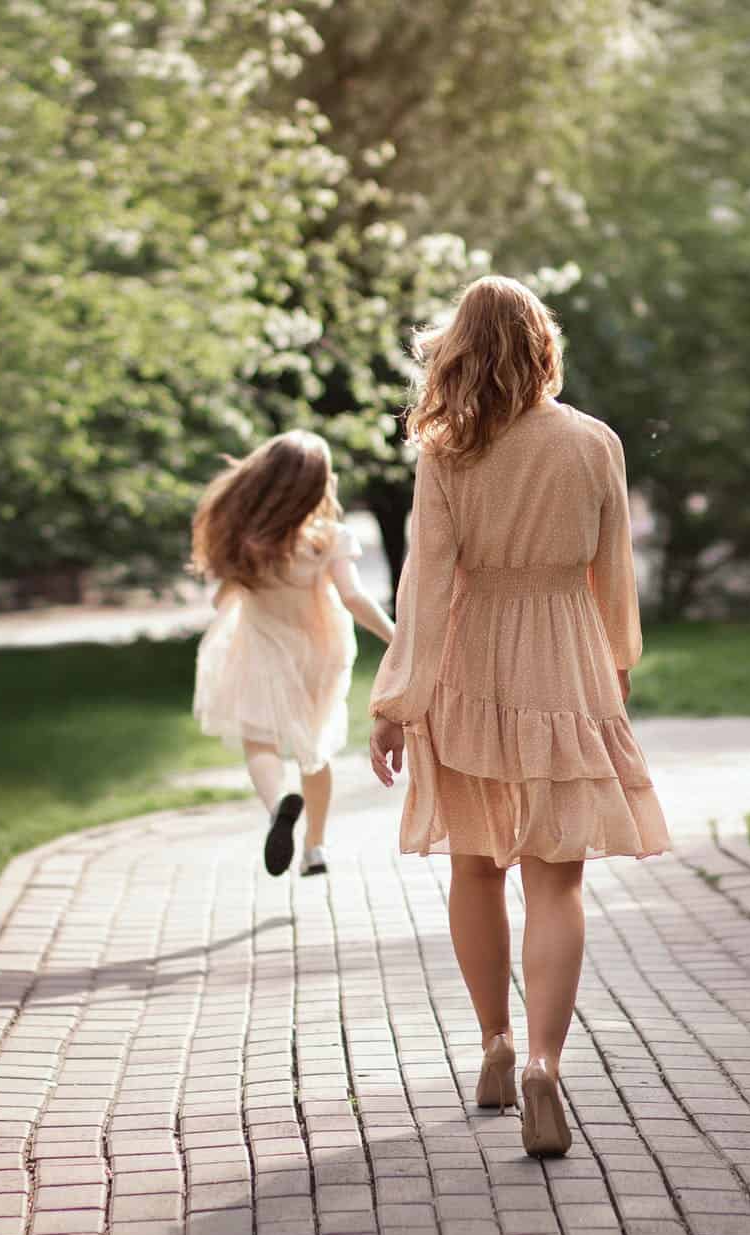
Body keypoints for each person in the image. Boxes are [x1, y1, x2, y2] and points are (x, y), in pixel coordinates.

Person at [368, 276, 671, 1157]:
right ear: (544, 346)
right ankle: (546, 1062)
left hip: (468, 660)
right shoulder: (594, 442)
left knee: (474, 866)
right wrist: (613, 671)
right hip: (566, 656)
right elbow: (614, 573)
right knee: (558, 876)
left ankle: (495, 1046)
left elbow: (425, 583)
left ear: (460, 349)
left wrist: (396, 701)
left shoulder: (448, 450)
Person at [192, 430, 394, 877]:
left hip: (263, 647)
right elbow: (354, 597)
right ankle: (315, 848)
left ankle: (276, 806)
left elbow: (221, 599)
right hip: (321, 652)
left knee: (259, 738)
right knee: (315, 747)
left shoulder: (246, 541)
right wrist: (397, 637)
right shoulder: (329, 538)